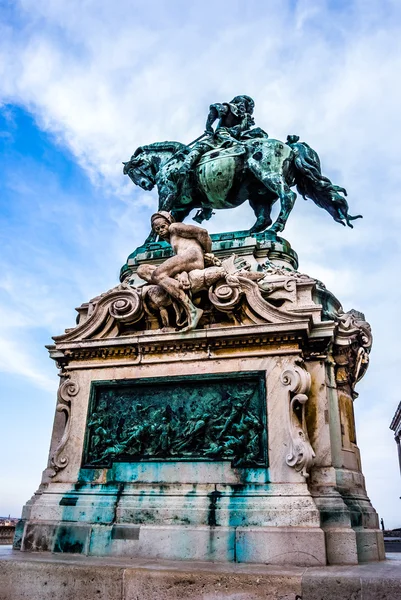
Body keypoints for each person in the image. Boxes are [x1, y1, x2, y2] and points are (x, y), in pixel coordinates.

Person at [137, 211, 213, 331]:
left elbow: (202, 233)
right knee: (142, 270)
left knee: (157, 274)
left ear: (169, 223)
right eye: (157, 229)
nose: (160, 231)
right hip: (188, 261)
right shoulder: (172, 239)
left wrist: (208, 254)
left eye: (163, 226)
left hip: (193, 256)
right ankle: (175, 285)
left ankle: (192, 310)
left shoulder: (174, 227)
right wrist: (181, 274)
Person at [179, 95, 256, 176]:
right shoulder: (246, 119)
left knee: (200, 146)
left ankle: (186, 166)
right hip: (238, 138)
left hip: (223, 135)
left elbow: (214, 111)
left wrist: (208, 127)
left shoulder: (231, 107)